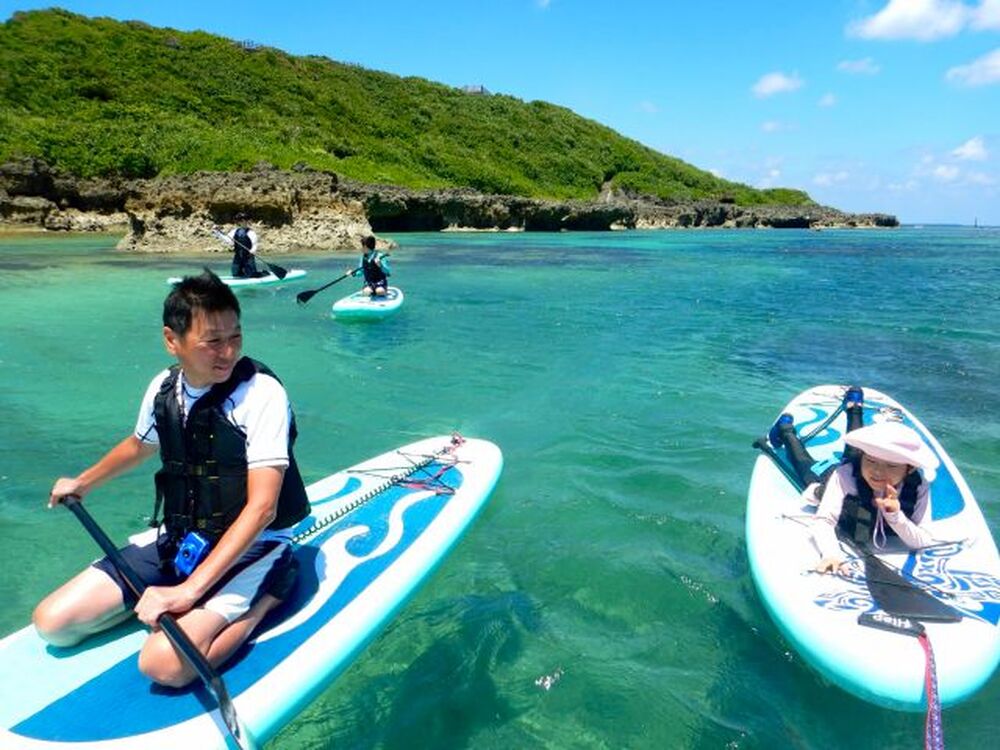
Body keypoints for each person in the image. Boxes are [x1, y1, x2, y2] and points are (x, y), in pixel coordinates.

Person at [32, 270, 310, 687]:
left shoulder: (261, 394)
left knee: (164, 666)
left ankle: (265, 601)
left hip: (254, 544)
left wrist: (189, 591)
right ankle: (167, 593)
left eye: (235, 336)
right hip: (182, 538)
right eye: (212, 341)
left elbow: (263, 508)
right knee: (54, 624)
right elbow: (139, 445)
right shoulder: (165, 387)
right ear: (172, 340)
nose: (228, 351)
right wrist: (83, 482)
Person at [810, 421, 940, 574]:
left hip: (872, 512)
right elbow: (824, 520)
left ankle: (854, 409)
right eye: (870, 461)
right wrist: (831, 554)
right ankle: (788, 433)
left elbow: (923, 541)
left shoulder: (919, 487)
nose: (877, 472)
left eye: (891, 466)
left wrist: (895, 516)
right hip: (827, 487)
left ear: (910, 468)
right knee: (806, 471)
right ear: (863, 457)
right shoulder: (845, 475)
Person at [226, 214, 265, 279]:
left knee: (251, 274)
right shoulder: (234, 231)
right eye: (240, 220)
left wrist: (253, 250)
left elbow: (255, 244)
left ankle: (263, 274)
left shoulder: (251, 232)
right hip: (238, 256)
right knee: (235, 273)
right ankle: (242, 276)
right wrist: (217, 232)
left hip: (248, 256)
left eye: (244, 220)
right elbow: (227, 240)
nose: (242, 222)